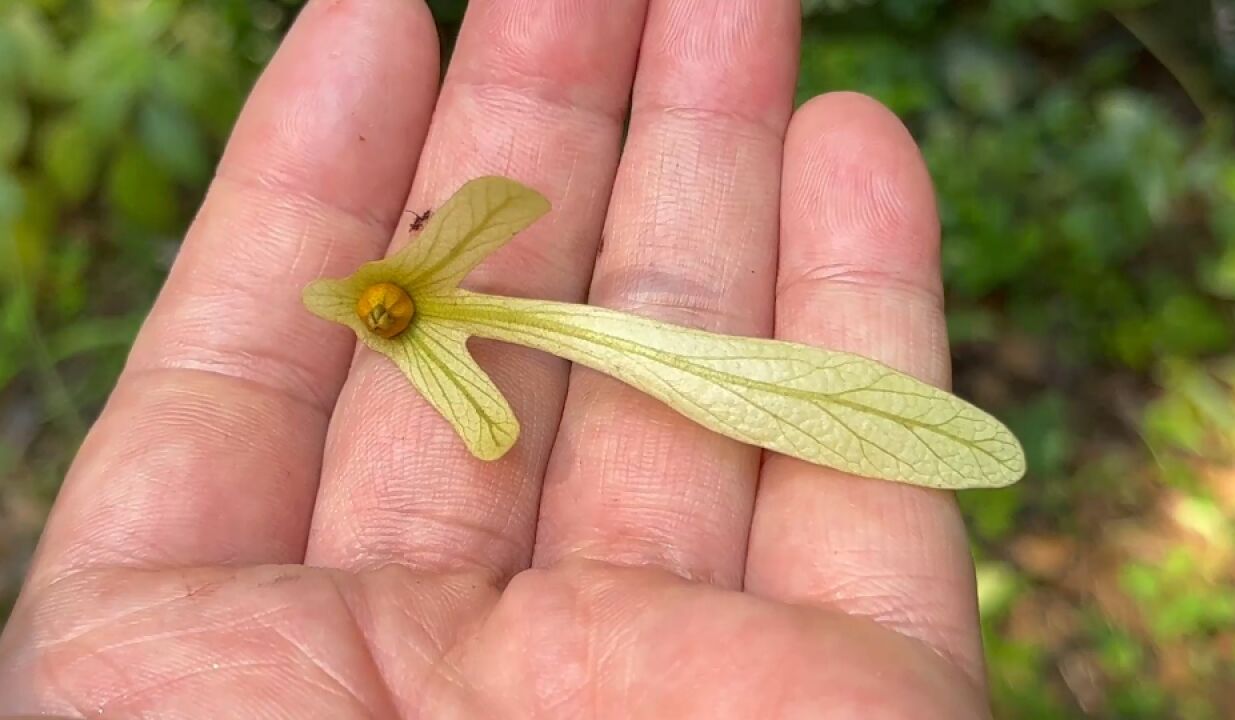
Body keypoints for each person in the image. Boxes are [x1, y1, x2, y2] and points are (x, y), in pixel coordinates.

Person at [0, 0, 991, 716]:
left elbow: (485, 361)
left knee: (717, 370)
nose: (373, 314)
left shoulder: (413, 295)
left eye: (375, 310)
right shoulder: (403, 317)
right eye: (370, 311)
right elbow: (483, 410)